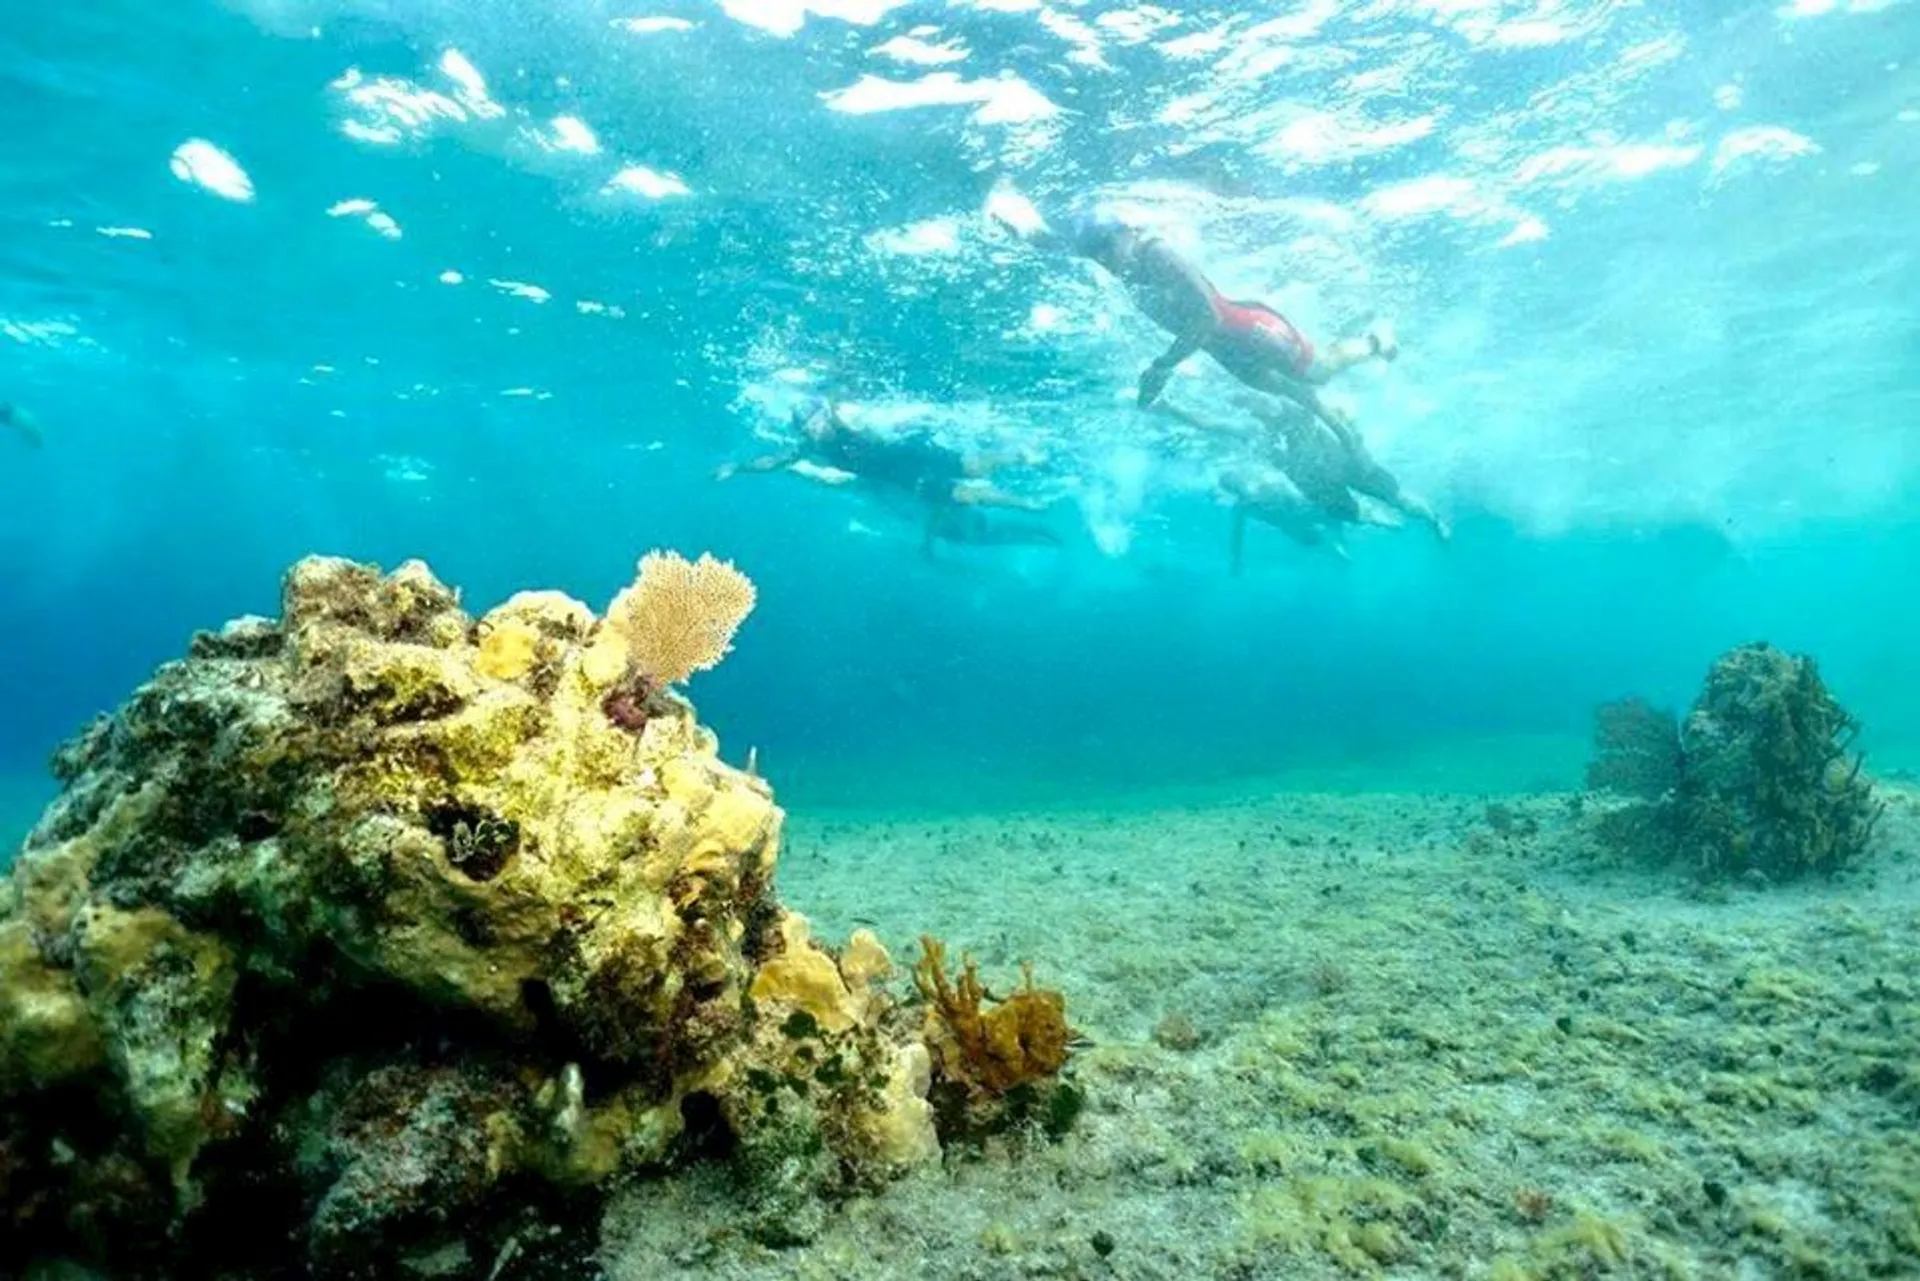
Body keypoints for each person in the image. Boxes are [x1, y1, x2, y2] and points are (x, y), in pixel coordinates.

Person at [998, 202, 1395, 438]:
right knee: (1290, 392)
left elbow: (1206, 315)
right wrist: (1017, 224)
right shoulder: (1120, 259)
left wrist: (1162, 366)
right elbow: (1062, 246)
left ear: (1126, 232)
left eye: (1105, 246)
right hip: (1223, 348)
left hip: (1247, 331)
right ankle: (1341, 425)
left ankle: (1373, 341)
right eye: (1096, 252)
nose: (1103, 257)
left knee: (1318, 371)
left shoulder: (1156, 253)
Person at [715, 401, 1056, 553]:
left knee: (975, 467)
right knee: (960, 494)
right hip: (901, 474)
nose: (814, 430)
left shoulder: (847, 420)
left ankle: (1021, 454)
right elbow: (775, 461)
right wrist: (739, 467)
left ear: (824, 414)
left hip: (912, 451)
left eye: (816, 421)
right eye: (807, 427)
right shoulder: (809, 446)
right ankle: (1026, 503)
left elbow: (880, 419)